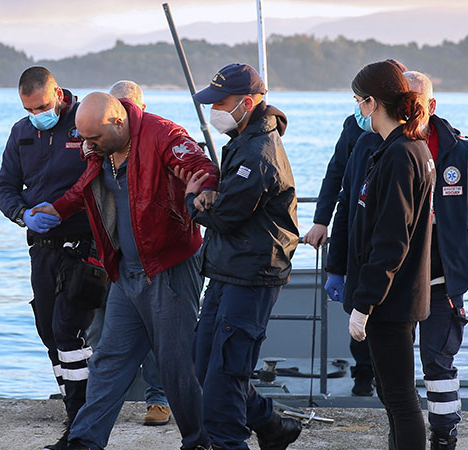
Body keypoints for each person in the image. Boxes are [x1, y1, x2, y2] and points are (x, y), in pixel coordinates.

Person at [31, 92, 219, 450]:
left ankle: (199, 441)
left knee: (176, 365)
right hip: (127, 271)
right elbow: (87, 185)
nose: (87, 146)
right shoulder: (101, 146)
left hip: (169, 268)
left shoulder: (163, 135)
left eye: (94, 139)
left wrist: (203, 190)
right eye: (84, 139)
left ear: (117, 122)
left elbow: (204, 168)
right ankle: (84, 440)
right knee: (109, 359)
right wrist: (58, 209)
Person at [186, 63, 302, 450]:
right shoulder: (242, 138)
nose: (214, 109)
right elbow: (228, 205)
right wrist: (212, 197)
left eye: (221, 102)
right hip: (226, 268)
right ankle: (272, 426)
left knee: (224, 375)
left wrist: (192, 199)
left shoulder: (258, 152)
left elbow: (225, 216)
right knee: (206, 365)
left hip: (253, 272)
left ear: (247, 103)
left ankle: (230, 442)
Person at [403, 71, 468, 450]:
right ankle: (402, 436)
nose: (406, 107)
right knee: (393, 370)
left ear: (430, 105)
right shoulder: (380, 146)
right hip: (394, 281)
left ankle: (445, 437)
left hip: (442, 283)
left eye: (413, 100)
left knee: (438, 363)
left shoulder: (459, 152)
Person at [0, 66, 95, 450]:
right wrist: (23, 214)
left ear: (56, 92)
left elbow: (103, 178)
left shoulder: (84, 120)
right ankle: (74, 408)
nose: (38, 114)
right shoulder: (22, 132)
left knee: (69, 330)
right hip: (42, 247)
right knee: (48, 330)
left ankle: (82, 424)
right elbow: (4, 188)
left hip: (85, 244)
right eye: (29, 108)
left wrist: (68, 211)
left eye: (42, 106)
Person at [342, 60, 435, 450]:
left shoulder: (401, 154)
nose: (357, 109)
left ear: (372, 102)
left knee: (400, 399)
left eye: (358, 101)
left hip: (389, 302)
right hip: (394, 298)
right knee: (391, 396)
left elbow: (392, 239)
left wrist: (365, 303)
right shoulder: (401, 148)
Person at [309, 59, 408, 396]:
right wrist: (321, 220)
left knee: (396, 316)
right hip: (357, 229)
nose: (360, 107)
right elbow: (336, 173)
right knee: (358, 306)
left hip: (396, 240)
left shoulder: (408, 143)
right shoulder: (356, 130)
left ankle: (393, 380)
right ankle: (363, 374)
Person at [86, 79, 171, 427]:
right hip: (107, 255)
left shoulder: (159, 142)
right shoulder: (101, 149)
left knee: (155, 336)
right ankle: (98, 409)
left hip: (149, 262)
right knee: (99, 335)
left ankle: (159, 399)